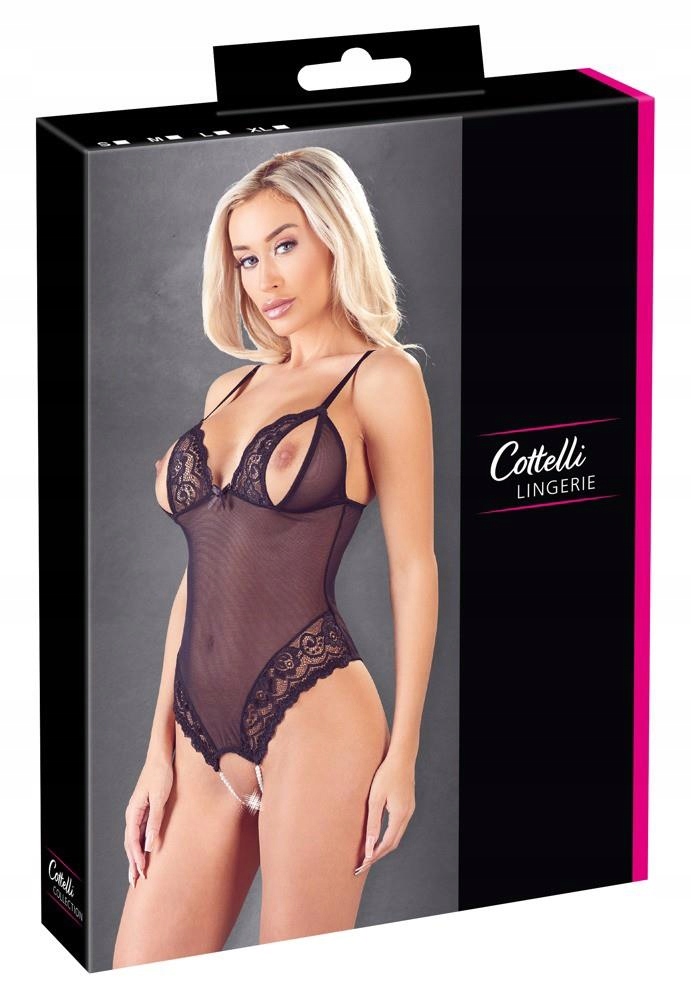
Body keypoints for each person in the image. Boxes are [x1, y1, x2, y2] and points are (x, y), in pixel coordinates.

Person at [113, 147, 438, 966]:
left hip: (315, 708)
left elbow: (413, 567)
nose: (265, 278)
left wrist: (401, 755)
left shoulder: (380, 378)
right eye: (246, 258)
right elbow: (202, 576)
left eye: (284, 245)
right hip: (196, 726)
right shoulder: (227, 390)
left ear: (334, 236)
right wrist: (156, 752)